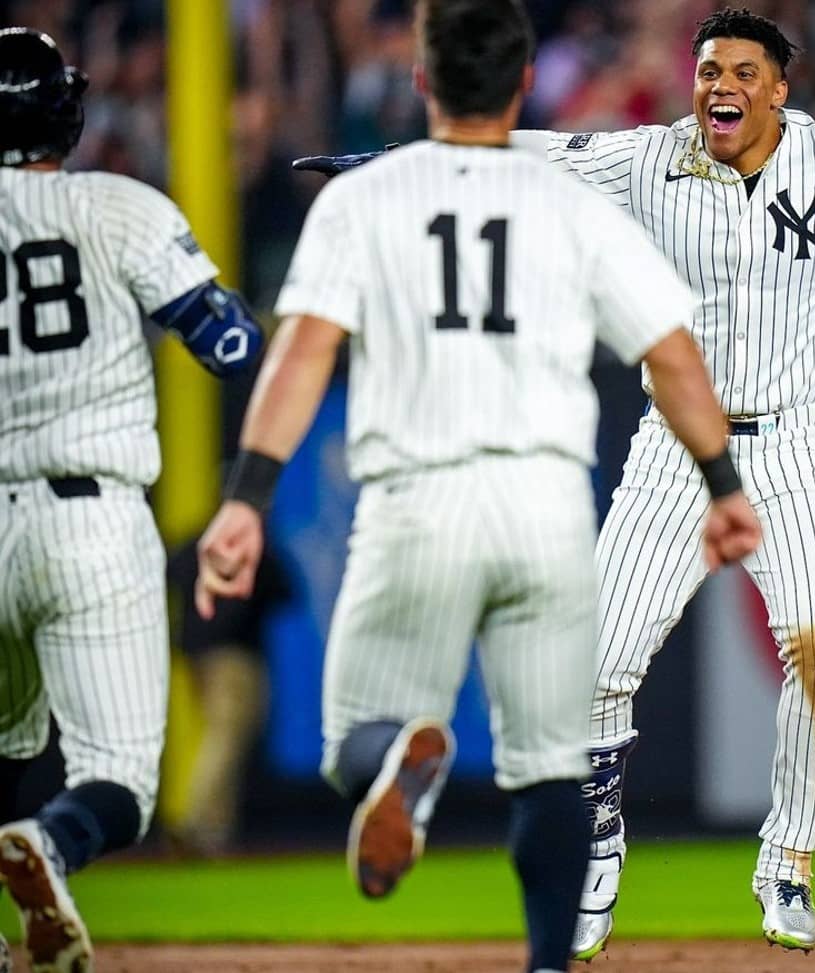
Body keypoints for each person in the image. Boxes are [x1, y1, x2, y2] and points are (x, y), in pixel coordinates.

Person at [294, 6, 815, 957]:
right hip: (674, 452)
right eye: (707, 70)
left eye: (740, 71)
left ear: (779, 86)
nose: (719, 86)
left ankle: (789, 863)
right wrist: (382, 166)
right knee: (599, 665)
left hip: (798, 450)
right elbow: (520, 153)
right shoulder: (652, 159)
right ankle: (600, 840)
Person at [194, 2, 761, 972]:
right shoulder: (574, 204)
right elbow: (671, 354)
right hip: (543, 505)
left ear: (420, 79)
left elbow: (301, 357)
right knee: (551, 770)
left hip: (415, 499)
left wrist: (247, 496)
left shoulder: (364, 198)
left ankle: (400, 759)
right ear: (524, 82)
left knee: (349, 743)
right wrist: (723, 483)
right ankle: (548, 962)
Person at [0, 27, 263, 973]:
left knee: (3, 740)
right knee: (116, 780)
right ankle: (53, 844)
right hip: (92, 514)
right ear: (65, 112)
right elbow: (228, 346)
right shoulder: (116, 206)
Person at [164, 537, 291, 857]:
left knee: (221, 738)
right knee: (225, 739)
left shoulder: (197, 539)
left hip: (198, 657)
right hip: (235, 655)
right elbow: (285, 590)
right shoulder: (253, 543)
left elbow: (166, 573)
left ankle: (213, 835)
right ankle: (193, 822)